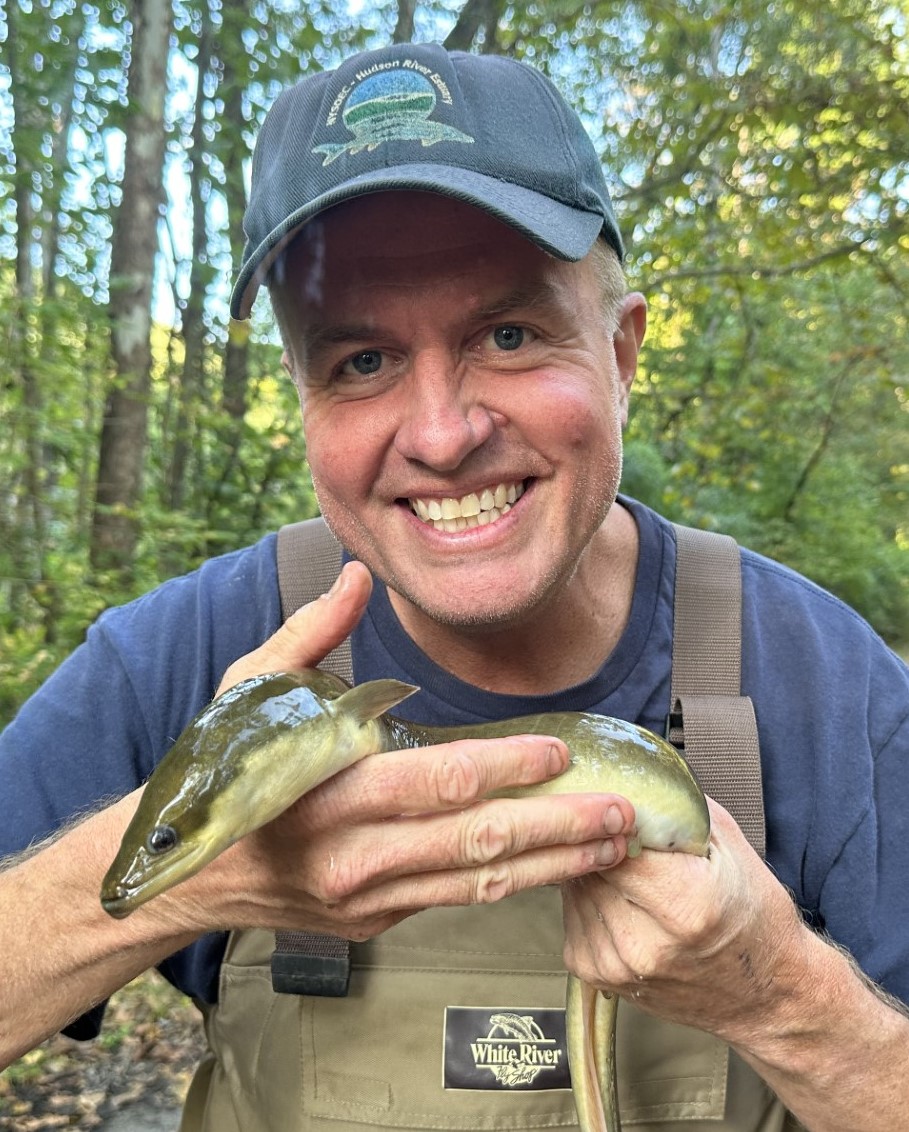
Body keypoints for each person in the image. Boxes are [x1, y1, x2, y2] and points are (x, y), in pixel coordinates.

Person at [1, 41, 907, 1132]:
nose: (441, 435)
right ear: (301, 396)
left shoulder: (831, 689)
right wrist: (203, 874)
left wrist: (778, 995)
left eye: (509, 335)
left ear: (621, 356)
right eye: (361, 362)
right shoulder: (180, 656)